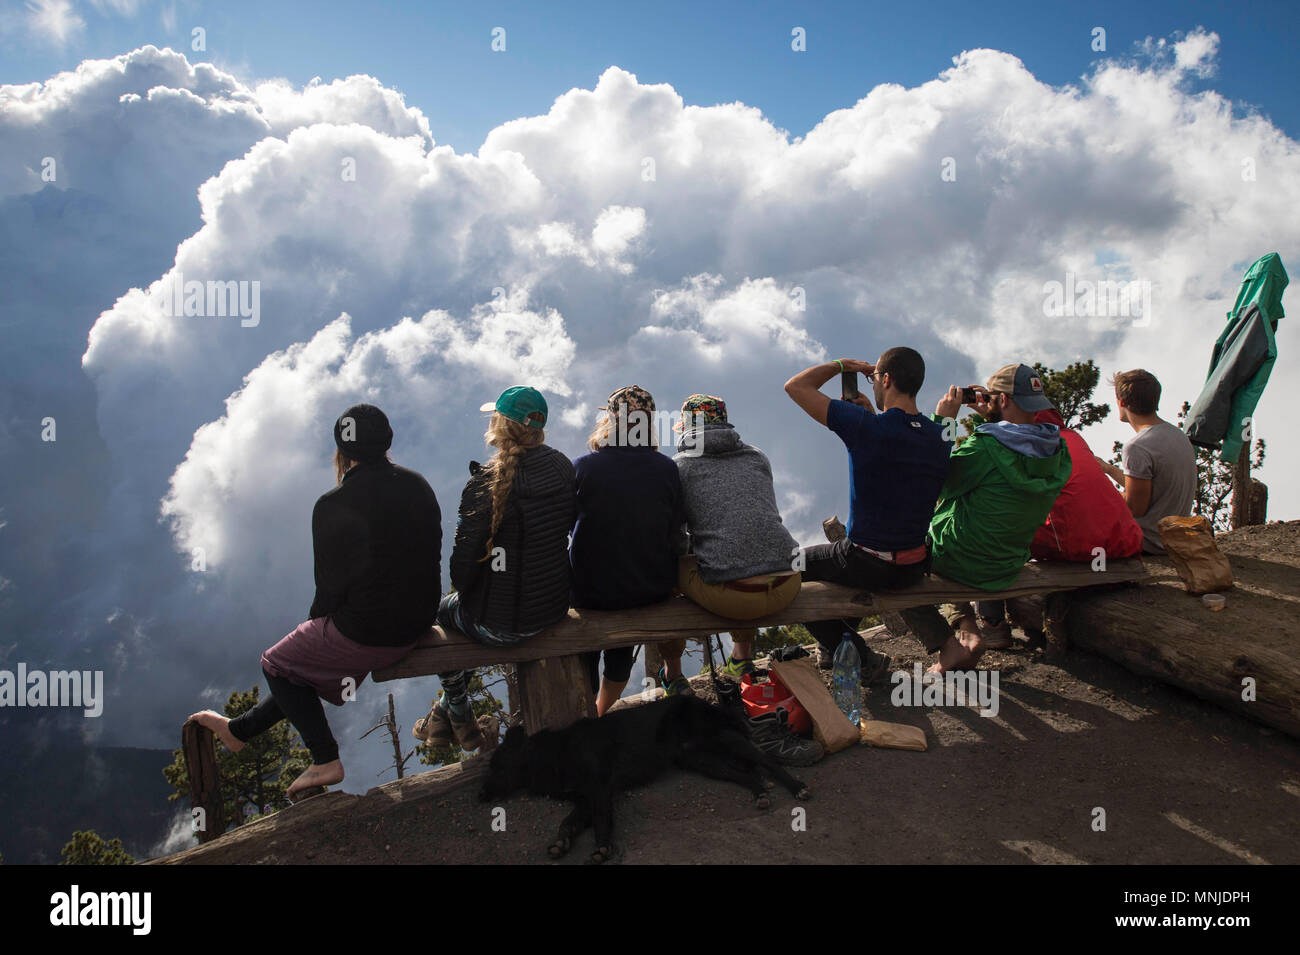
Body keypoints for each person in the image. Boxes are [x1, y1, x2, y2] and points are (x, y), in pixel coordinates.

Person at [190, 404, 441, 800]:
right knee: (300, 662)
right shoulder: (418, 485)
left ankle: (324, 759)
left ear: (343, 449)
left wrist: (315, 633)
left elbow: (328, 591)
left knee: (277, 663)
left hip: (372, 631)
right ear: (387, 442)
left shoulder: (332, 504)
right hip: (420, 618)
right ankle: (238, 731)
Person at [413, 386, 575, 751]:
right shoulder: (564, 467)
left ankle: (455, 709)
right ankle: (447, 716)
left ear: (501, 425)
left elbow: (461, 573)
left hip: (500, 625)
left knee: (442, 613)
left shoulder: (485, 482)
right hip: (553, 609)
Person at [784, 348, 951, 681]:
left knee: (789, 567)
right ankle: (836, 649)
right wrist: (874, 415)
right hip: (915, 565)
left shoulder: (863, 426)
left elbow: (796, 387)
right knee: (841, 568)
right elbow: (904, 442)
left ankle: (859, 657)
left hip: (870, 564)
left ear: (886, 379)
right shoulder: (940, 436)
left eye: (875, 377)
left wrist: (843, 366)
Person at [897, 363, 1072, 672]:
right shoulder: (1058, 449)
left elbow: (937, 481)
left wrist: (944, 421)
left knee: (893, 555)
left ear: (1002, 400)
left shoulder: (986, 448)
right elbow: (1015, 442)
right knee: (959, 536)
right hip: (1007, 561)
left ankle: (951, 644)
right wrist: (990, 417)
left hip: (961, 559)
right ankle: (967, 628)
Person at [671, 394, 803, 691]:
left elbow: (676, 538)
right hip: (789, 582)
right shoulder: (757, 456)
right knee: (745, 549)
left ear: (686, 427)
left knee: (666, 567)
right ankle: (741, 657)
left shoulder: (680, 467)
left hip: (735, 597)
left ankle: (673, 675)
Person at [570, 385, 684, 715]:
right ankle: (602, 710)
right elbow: (675, 532)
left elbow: (569, 525)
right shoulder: (666, 468)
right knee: (620, 652)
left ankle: (588, 715)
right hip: (648, 587)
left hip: (591, 591)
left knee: (585, 653)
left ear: (609, 420)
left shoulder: (583, 467)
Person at [1094, 369, 1197, 554]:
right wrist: (1108, 469)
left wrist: (1099, 491)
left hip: (1151, 542)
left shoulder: (1137, 447)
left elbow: (1135, 508)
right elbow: (1151, 489)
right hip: (1175, 535)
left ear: (1121, 402)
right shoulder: (1177, 435)